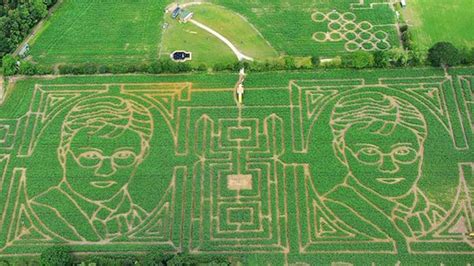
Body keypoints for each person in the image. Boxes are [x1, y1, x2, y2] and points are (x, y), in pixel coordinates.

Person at [322, 92, 446, 246]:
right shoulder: (336, 208)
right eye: (369, 152)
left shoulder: (435, 213)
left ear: (420, 150)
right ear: (340, 150)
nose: (389, 167)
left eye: (403, 152)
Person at [30, 96, 154, 242]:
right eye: (90, 156)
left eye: (123, 155)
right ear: (63, 155)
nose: (106, 171)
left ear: (141, 155)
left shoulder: (139, 217)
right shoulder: (44, 209)